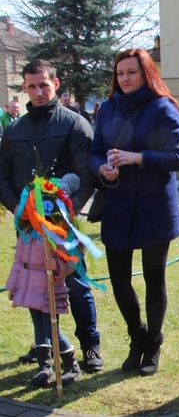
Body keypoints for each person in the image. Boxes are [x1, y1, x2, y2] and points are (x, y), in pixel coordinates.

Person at [89, 48, 179, 376]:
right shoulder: (106, 110)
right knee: (119, 280)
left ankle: (154, 344)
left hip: (154, 207)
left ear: (146, 73)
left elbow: (178, 158)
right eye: (120, 73)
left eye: (131, 72)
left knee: (153, 276)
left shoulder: (162, 107)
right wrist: (103, 169)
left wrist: (137, 157)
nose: (125, 79)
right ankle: (138, 336)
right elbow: (94, 153)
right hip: (118, 206)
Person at [0, 59, 103, 373]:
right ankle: (44, 344)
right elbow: (3, 177)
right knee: (34, 286)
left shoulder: (74, 123)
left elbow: (86, 176)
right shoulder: (14, 129)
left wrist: (66, 213)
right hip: (28, 225)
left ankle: (90, 345)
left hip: (63, 226)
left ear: (55, 83)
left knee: (75, 284)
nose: (38, 91)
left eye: (44, 84)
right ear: (25, 88)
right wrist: (21, 211)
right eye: (31, 86)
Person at [5, 177, 82, 387]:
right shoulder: (26, 234)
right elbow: (18, 261)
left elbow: (72, 261)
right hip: (29, 287)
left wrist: (57, 266)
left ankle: (72, 366)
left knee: (51, 328)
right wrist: (13, 285)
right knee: (38, 327)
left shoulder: (55, 235)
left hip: (48, 287)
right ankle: (45, 367)